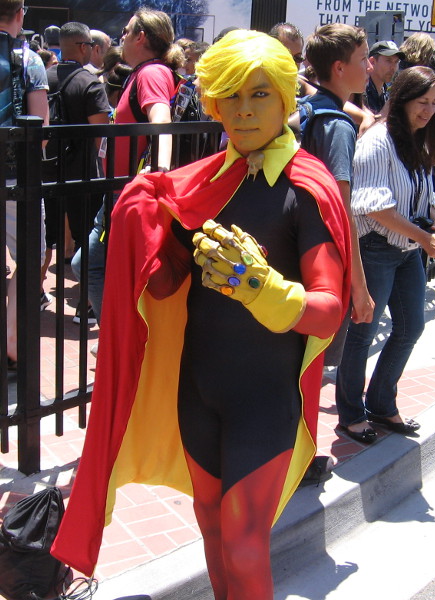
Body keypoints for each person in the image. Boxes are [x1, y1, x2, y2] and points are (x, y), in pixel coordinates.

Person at [51, 29, 352, 598]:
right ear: (213, 101)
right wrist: (143, 222)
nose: (244, 110)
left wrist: (260, 286)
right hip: (199, 391)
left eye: (259, 94)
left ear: (285, 97)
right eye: (230, 95)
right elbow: (166, 283)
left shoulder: (306, 187)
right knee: (212, 530)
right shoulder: (204, 183)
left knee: (244, 544)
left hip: (264, 399)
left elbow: (328, 311)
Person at [336, 66, 435, 443]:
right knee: (363, 333)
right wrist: (425, 237)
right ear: (402, 99)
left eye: (434, 103)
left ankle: (382, 404)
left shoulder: (419, 139)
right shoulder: (377, 141)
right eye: (422, 102)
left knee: (411, 327)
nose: (428, 111)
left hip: (407, 248)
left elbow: (426, 191)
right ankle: (351, 414)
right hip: (376, 247)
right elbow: (373, 207)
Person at [71, 9, 184, 329]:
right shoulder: (144, 72)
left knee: (89, 264)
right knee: (104, 267)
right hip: (123, 191)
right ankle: (122, 338)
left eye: (126, 31)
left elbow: (161, 121)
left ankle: (117, 337)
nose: (121, 37)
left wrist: (159, 173)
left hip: (129, 193)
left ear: (141, 37)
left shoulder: (151, 73)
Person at [302, 24, 375, 369]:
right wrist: (359, 287)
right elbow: (343, 211)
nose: (369, 66)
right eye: (363, 59)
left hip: (293, 247)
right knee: (312, 367)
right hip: (319, 261)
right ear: (339, 68)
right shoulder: (338, 126)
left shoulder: (307, 109)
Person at [43, 21, 110, 324]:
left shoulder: (42, 78)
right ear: (84, 46)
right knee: (86, 239)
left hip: (45, 171)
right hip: (82, 174)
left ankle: (34, 295)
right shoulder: (89, 83)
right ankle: (86, 306)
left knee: (45, 238)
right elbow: (100, 132)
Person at [1, 0, 49, 367]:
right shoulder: (29, 59)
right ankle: (13, 341)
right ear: (20, 14)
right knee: (30, 257)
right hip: (16, 174)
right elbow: (40, 129)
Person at [365, 40, 404, 114]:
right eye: (389, 61)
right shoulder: (360, 91)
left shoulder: (387, 92)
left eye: (396, 62)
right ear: (372, 62)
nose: (393, 68)